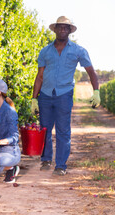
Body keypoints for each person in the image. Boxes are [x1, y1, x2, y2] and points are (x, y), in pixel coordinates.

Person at [31, 16, 100, 176]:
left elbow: (91, 71)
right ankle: (46, 159)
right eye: (60, 27)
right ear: (55, 29)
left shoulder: (78, 50)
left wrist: (96, 91)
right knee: (45, 129)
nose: (62, 30)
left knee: (63, 131)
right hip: (46, 95)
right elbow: (39, 76)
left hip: (64, 95)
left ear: (69, 30)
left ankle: (61, 165)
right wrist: (34, 98)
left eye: (65, 27)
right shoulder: (45, 51)